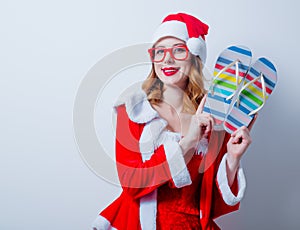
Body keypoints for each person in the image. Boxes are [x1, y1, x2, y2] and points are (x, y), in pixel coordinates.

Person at [92, 12, 254, 230]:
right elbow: (131, 183)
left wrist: (232, 159)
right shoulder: (133, 111)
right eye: (159, 51)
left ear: (194, 58)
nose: (167, 59)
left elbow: (212, 204)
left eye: (178, 50)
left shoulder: (212, 117)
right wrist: (188, 142)